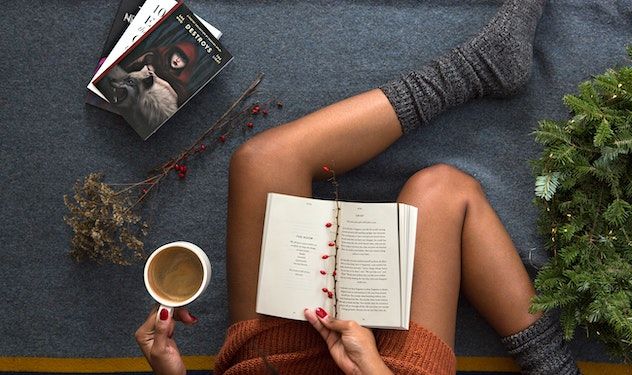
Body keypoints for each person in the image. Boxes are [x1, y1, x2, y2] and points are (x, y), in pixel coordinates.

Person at [135, 0, 582, 374]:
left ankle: (478, 70)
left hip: (277, 366)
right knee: (443, 190)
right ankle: (552, 365)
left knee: (262, 162)